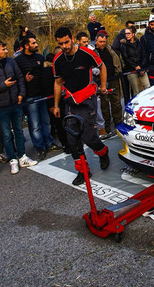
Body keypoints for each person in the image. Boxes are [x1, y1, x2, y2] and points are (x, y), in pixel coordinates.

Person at [50, 27, 110, 186]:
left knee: (89, 137)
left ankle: (103, 152)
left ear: (72, 39)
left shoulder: (86, 53)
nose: (64, 46)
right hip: (70, 103)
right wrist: (56, 105)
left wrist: (102, 86)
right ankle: (83, 171)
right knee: (72, 139)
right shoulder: (57, 60)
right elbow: (57, 83)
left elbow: (102, 66)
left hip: (88, 100)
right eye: (60, 43)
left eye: (66, 42)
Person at [0, 40, 37, 175]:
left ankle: (22, 156)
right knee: (5, 134)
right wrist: (4, 85)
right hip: (0, 107)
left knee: (19, 131)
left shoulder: (11, 61)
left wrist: (21, 94)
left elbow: (20, 78)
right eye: (3, 49)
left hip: (15, 103)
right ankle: (12, 159)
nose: (6, 51)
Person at [15, 34, 59, 161]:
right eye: (33, 43)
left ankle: (49, 143)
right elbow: (17, 78)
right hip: (30, 97)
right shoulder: (18, 60)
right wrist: (24, 79)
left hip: (43, 95)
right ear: (26, 46)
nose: (36, 45)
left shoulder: (40, 57)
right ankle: (39, 147)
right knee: (35, 124)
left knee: (46, 121)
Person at [93, 31, 123, 138]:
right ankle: (106, 127)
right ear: (96, 41)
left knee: (116, 103)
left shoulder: (110, 50)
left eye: (104, 41)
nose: (102, 44)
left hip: (113, 79)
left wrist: (118, 71)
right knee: (104, 105)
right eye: (100, 42)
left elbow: (117, 61)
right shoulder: (93, 53)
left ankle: (118, 123)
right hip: (101, 81)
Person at [117, 26, 150, 100]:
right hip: (131, 69)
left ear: (133, 34)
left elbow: (144, 54)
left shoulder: (139, 43)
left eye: (128, 33)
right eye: (126, 34)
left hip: (141, 67)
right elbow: (126, 58)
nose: (127, 35)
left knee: (147, 86)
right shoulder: (123, 45)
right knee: (136, 91)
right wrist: (135, 67)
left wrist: (141, 66)